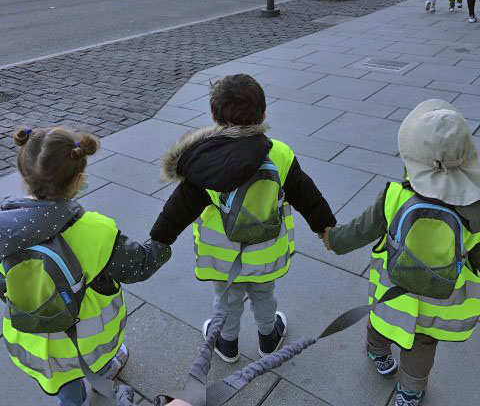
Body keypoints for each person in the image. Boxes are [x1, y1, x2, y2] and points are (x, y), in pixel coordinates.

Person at [150, 74, 337, 363]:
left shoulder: (203, 163)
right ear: (263, 114)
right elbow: (307, 196)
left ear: (215, 116)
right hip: (265, 252)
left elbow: (180, 207)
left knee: (226, 300)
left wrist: (159, 239)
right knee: (264, 296)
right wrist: (325, 227)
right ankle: (268, 337)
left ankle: (226, 343)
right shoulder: (280, 154)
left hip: (222, 257)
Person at [322, 100, 480, 406]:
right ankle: (410, 392)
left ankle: (377, 353)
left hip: (392, 292)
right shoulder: (476, 209)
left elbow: (359, 229)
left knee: (379, 322)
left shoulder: (394, 197)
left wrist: (333, 240)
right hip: (442, 301)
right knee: (423, 343)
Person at [0, 126, 172, 406]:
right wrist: (163, 242)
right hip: (89, 332)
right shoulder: (95, 229)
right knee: (96, 356)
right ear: (79, 180)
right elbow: (138, 266)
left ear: (24, 174)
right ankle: (106, 369)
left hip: (38, 339)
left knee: (64, 383)